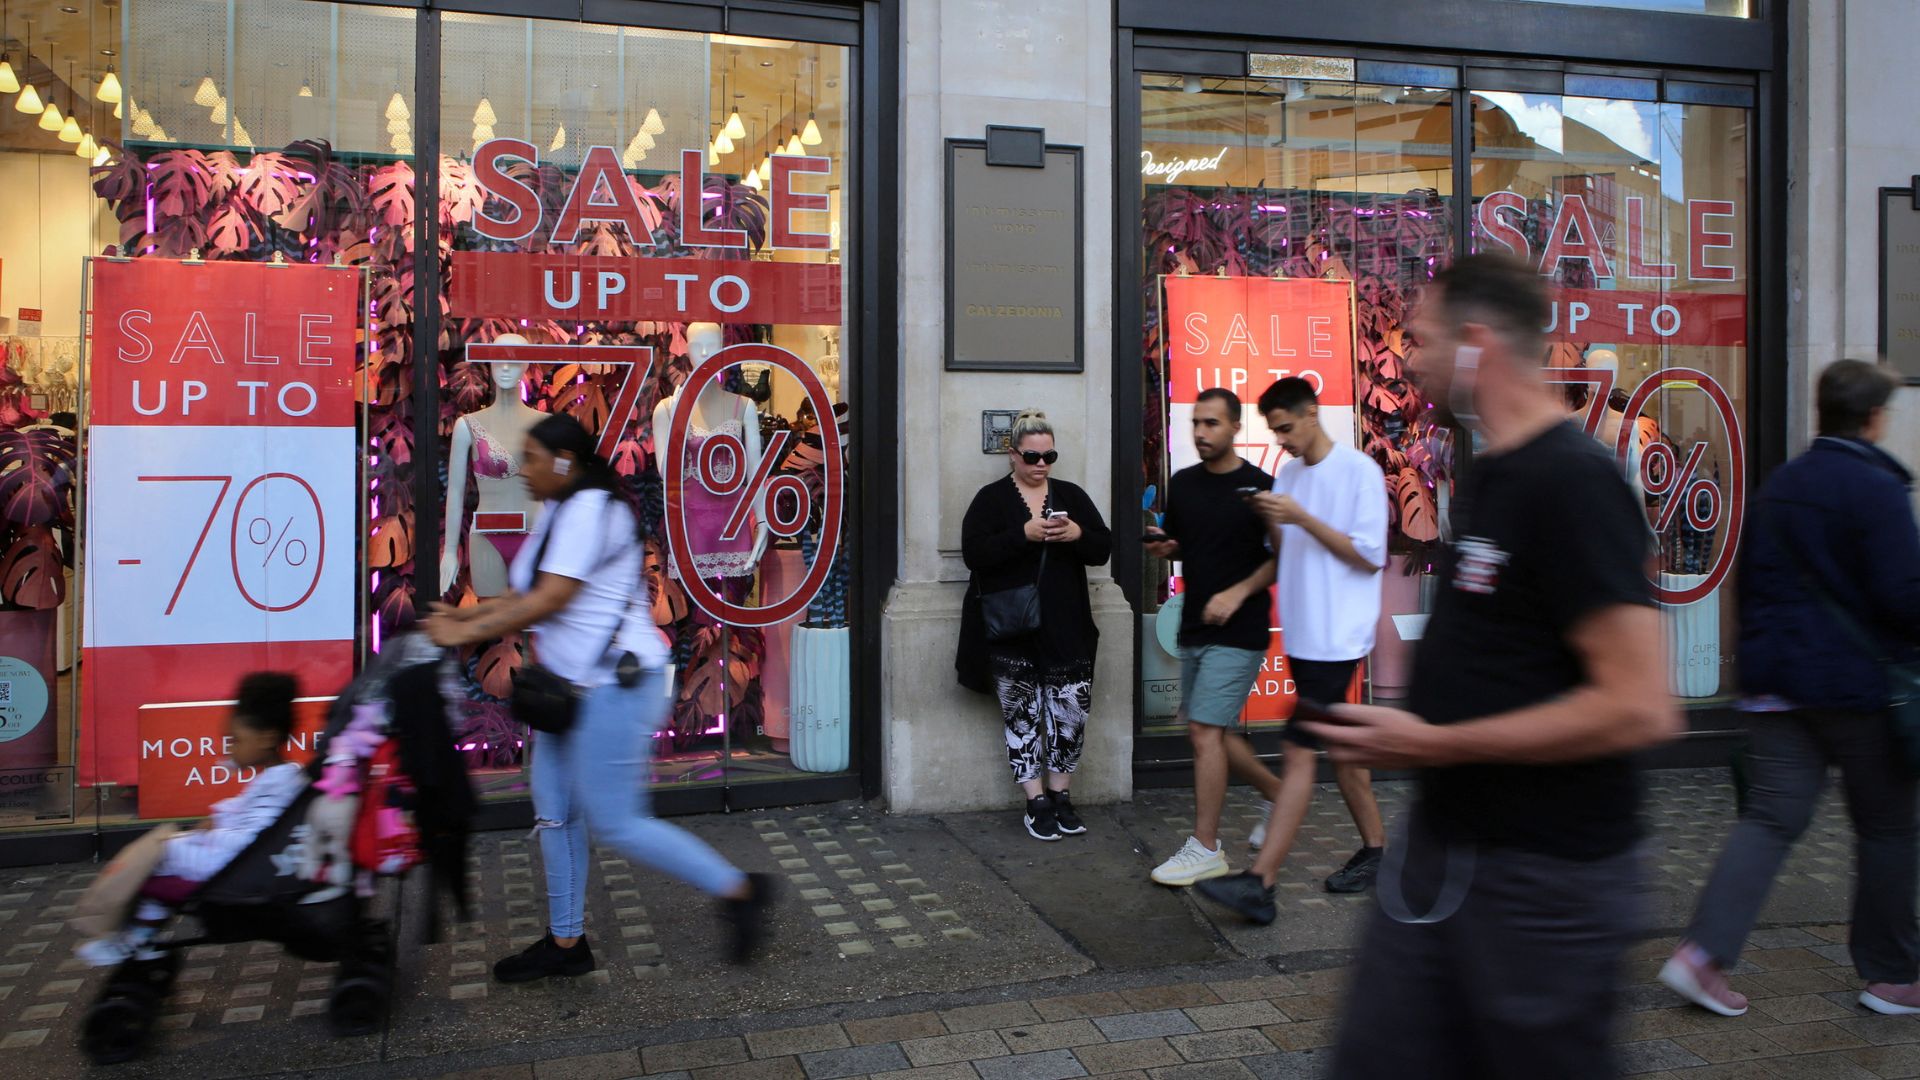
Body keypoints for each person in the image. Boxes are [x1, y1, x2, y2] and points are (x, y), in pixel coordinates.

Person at [1298, 254, 1680, 1078]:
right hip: (1448, 853)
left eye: (1423, 339)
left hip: (1544, 882)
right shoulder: (1493, 474)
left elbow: (1641, 706)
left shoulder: (1573, 482)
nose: (1408, 359)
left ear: (1476, 345)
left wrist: (1433, 745)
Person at [425, 413, 773, 982]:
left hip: (615, 688)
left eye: (533, 458)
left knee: (615, 822)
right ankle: (566, 943)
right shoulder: (562, 510)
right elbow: (523, 593)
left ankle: (739, 890)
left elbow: (551, 599)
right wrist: (467, 617)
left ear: (564, 462)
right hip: (574, 692)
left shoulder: (591, 511)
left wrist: (462, 632)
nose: (524, 467)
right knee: (556, 815)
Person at [1660, 359, 1920, 1018]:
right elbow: (1902, 597)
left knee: (1771, 820)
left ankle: (1702, 956)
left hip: (1777, 689)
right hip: (1857, 690)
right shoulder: (1876, 488)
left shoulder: (1782, 485)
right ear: (1874, 418)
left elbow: (1751, 586)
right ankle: (1890, 976)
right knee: (1888, 828)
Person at [1195, 377, 1389, 922]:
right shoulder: (1289, 474)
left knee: (1300, 752)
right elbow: (1287, 554)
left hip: (1339, 635)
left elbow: (1369, 556)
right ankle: (1377, 852)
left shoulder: (1360, 472)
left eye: (1285, 428)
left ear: (1311, 414)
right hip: (1305, 634)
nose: (1280, 440)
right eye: (1274, 431)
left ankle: (1261, 883)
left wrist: (1300, 517)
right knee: (1344, 751)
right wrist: (1273, 523)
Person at [1140, 388, 1282, 886]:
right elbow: (1183, 543)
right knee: (1212, 731)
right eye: (1197, 423)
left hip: (1239, 629)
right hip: (1196, 625)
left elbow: (1279, 559)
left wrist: (1238, 592)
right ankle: (1278, 794)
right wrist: (1167, 547)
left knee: (1203, 731)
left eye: (1212, 424)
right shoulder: (1183, 484)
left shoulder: (1259, 488)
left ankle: (1205, 847)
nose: (1201, 432)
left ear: (1235, 428)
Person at [76, 673, 308, 966]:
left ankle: (130, 937)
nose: (229, 749)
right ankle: (139, 938)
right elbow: (247, 811)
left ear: (267, 738)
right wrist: (218, 819)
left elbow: (255, 840)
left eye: (235, 740)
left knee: (153, 856)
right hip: (238, 860)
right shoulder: (282, 777)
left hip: (234, 865)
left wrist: (211, 832)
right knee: (159, 851)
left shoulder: (279, 785)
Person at [957, 409, 1114, 841]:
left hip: (1066, 624)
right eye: (1031, 456)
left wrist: (1078, 534)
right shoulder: (991, 499)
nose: (1041, 464)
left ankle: (1061, 797)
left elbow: (1103, 547)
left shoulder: (1071, 495)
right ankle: (1036, 801)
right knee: (1021, 716)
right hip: (1012, 629)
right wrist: (1021, 535)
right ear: (1013, 455)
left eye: (1049, 456)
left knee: (1070, 714)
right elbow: (974, 553)